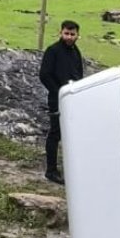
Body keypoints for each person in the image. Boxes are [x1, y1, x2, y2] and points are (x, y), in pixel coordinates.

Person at [39, 20, 84, 185]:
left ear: (78, 35)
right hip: (57, 99)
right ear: (60, 33)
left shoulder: (76, 52)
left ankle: (73, 168)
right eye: (66, 33)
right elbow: (44, 75)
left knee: (72, 134)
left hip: (74, 100)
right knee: (55, 133)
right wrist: (59, 92)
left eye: (72, 34)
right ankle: (51, 170)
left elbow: (78, 74)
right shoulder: (53, 51)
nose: (69, 37)